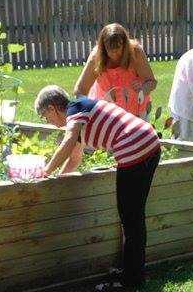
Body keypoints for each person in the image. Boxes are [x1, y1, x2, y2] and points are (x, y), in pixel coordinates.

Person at [34, 85, 161, 289]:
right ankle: (134, 270)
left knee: (130, 218)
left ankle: (130, 280)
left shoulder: (74, 111)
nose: (48, 122)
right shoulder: (80, 113)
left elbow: (67, 143)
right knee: (134, 216)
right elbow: (75, 157)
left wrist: (46, 172)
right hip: (148, 142)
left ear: (51, 108)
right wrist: (58, 179)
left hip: (134, 148)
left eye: (44, 117)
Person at [74, 23, 157, 120]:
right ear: (103, 47)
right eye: (110, 50)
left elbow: (151, 82)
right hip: (107, 113)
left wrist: (142, 90)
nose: (114, 54)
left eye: (118, 49)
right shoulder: (96, 57)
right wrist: (86, 111)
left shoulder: (135, 52)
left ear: (125, 45)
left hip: (136, 111)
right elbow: (80, 90)